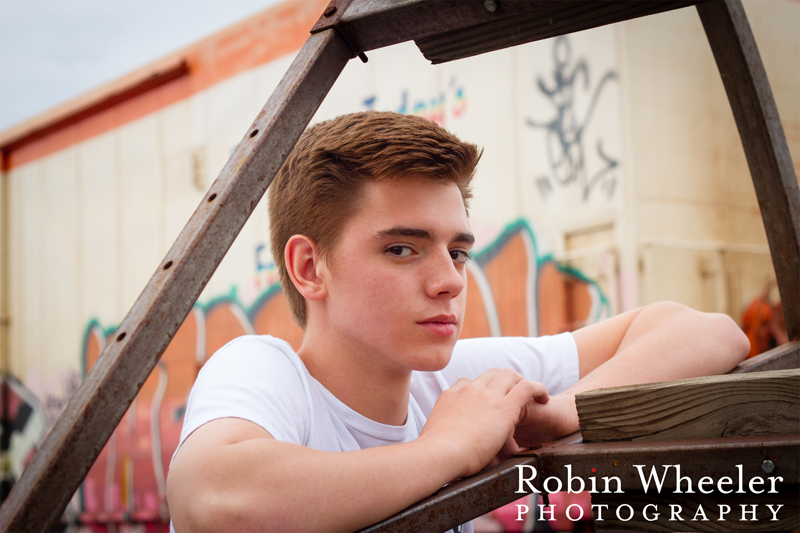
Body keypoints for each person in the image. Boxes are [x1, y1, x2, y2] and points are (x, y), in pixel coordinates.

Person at [166, 111, 749, 532]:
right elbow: (216, 500)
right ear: (309, 268)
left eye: (458, 251)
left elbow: (709, 331)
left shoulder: (454, 383)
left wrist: (557, 416)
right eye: (402, 249)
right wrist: (447, 448)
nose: (449, 279)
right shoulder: (266, 371)